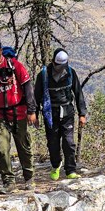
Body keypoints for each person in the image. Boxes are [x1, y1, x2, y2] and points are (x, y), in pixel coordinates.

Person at [0, 37, 38, 192]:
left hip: (18, 112)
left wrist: (32, 110)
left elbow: (27, 88)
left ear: (1, 50)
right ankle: (9, 182)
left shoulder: (14, 66)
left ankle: (29, 178)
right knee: (2, 148)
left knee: (23, 146)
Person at [37, 48, 87, 180]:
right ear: (53, 62)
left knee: (69, 142)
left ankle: (70, 169)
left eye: (63, 65)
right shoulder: (43, 75)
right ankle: (56, 165)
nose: (61, 68)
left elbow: (78, 93)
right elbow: (37, 96)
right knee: (53, 142)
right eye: (58, 65)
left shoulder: (70, 73)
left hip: (67, 112)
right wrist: (34, 114)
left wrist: (82, 114)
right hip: (50, 113)